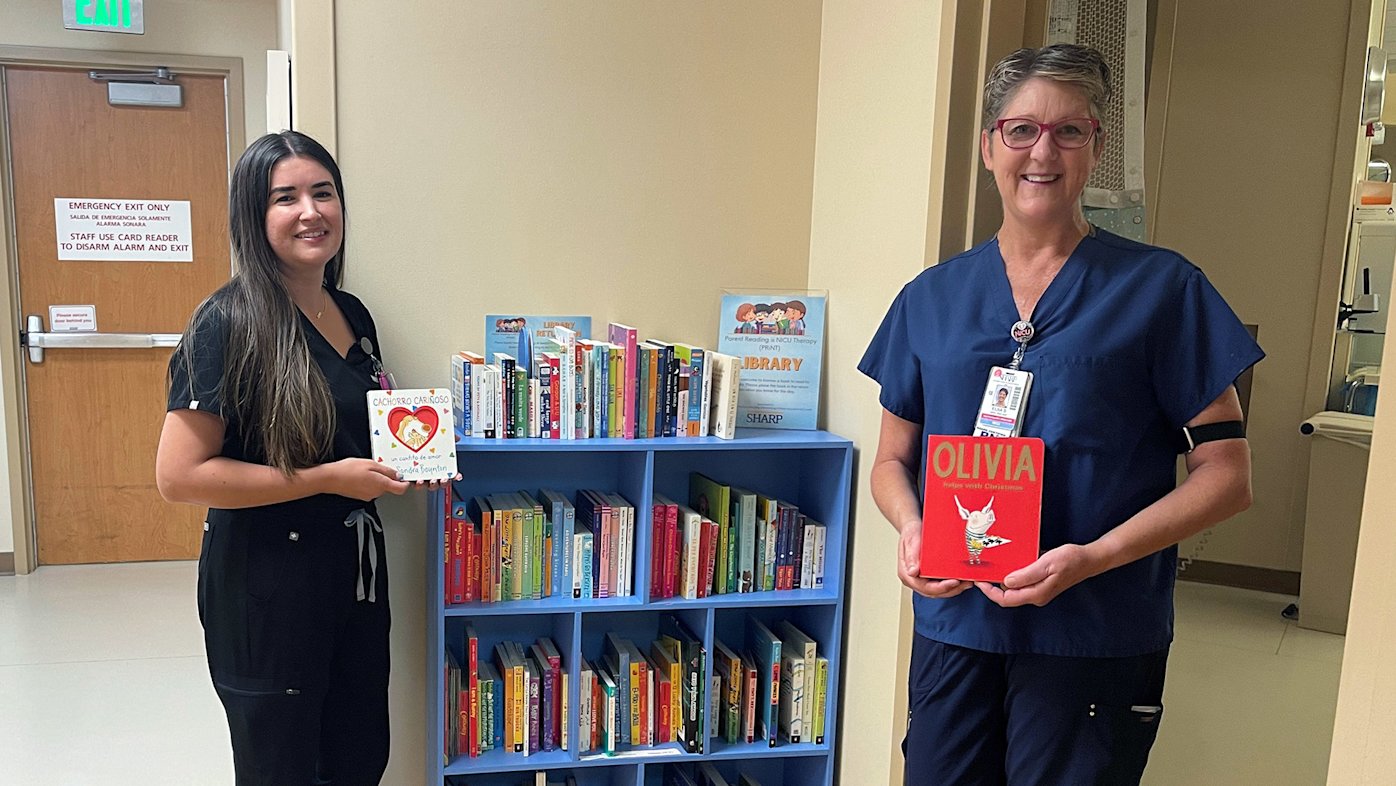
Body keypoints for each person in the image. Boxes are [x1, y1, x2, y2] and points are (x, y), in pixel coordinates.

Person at [860, 45, 1262, 785]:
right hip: (957, 625)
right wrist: (914, 532)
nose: (1042, 151)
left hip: (1094, 628)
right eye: (1020, 130)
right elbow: (890, 461)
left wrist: (1093, 559)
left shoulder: (1162, 291)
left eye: (1068, 132)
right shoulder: (931, 298)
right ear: (989, 147)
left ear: (1096, 149)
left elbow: (1226, 475)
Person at [155, 131, 443, 785]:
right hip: (268, 593)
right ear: (254, 219)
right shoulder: (226, 324)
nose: (311, 211)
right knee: (281, 769)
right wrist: (324, 480)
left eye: (324, 192)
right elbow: (179, 476)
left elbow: (353, 424)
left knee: (358, 755)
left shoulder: (351, 313)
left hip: (355, 586)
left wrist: (408, 457)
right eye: (285, 198)